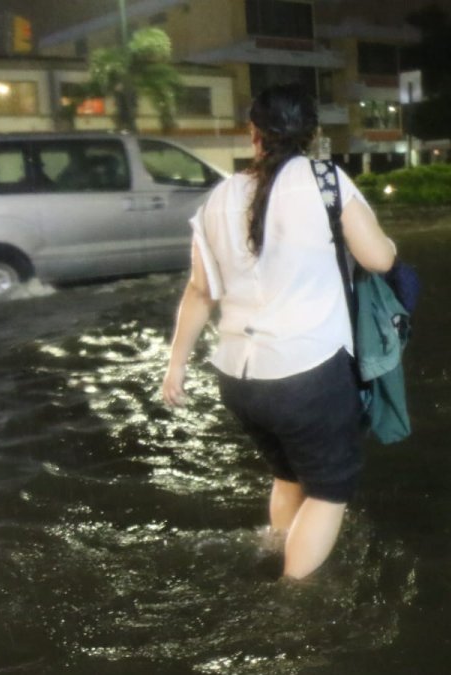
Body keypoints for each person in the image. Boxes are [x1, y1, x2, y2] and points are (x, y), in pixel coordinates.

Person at [161, 84, 396, 580]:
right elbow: (380, 258)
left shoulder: (219, 197)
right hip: (307, 373)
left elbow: (200, 292)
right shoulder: (327, 182)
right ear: (312, 134)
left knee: (288, 473)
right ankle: (292, 604)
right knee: (330, 491)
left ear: (254, 133)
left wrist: (176, 366)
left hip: (239, 380)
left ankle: (276, 550)